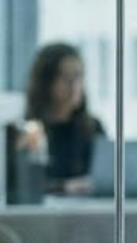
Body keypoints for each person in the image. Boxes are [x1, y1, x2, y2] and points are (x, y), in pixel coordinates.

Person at [18, 42, 105, 193]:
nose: (75, 86)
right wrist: (64, 187)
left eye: (79, 77)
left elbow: (104, 178)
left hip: (88, 213)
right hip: (40, 215)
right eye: (67, 78)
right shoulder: (28, 130)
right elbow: (19, 184)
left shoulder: (93, 127)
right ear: (46, 82)